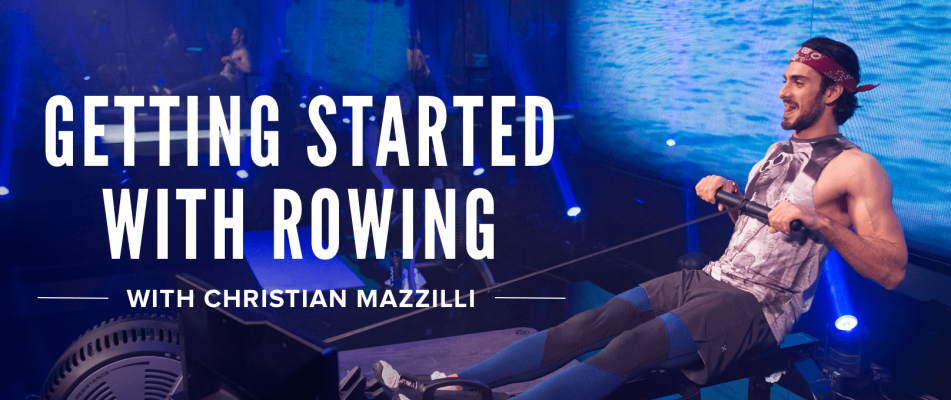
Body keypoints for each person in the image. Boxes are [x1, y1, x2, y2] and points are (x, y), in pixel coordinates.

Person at [372, 37, 908, 400]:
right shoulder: (776, 151)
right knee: (589, 324)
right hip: (712, 278)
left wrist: (824, 224)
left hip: (757, 308)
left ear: (832, 92)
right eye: (786, 79)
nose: (783, 92)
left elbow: (891, 270)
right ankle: (451, 387)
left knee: (630, 347)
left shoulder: (857, 168)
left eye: (798, 82)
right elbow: (764, 237)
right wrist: (730, 199)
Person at [158, 27, 250, 96]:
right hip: (223, 78)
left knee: (201, 82)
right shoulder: (236, 50)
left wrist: (233, 60)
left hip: (226, 81)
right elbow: (233, 63)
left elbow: (247, 69)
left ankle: (171, 92)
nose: (231, 37)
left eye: (234, 35)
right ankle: (173, 94)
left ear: (241, 37)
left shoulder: (243, 52)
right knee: (199, 88)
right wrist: (227, 60)